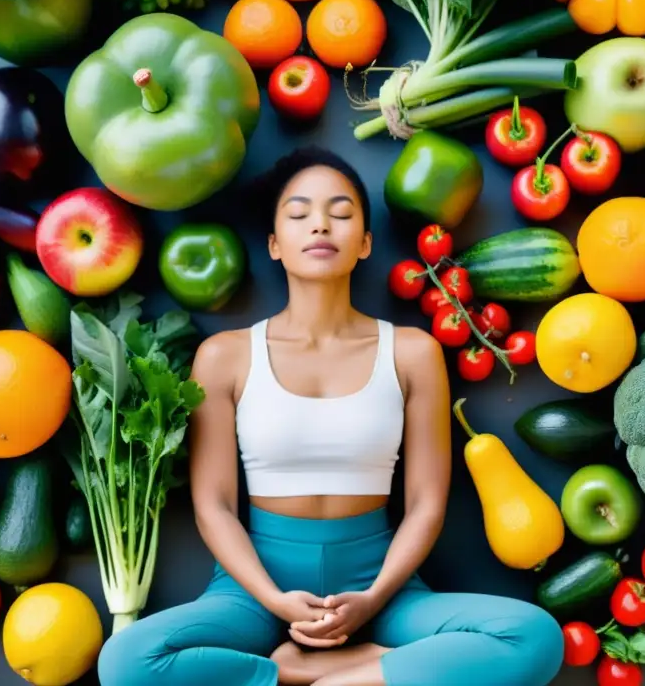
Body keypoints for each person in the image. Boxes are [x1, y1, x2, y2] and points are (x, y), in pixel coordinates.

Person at [98, 148, 564, 686]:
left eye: (341, 213)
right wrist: (274, 599)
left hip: (383, 588)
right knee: (124, 664)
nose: (320, 223)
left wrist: (372, 599)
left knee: (535, 637)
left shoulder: (413, 352)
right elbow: (215, 505)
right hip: (252, 593)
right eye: (298, 214)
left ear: (365, 243)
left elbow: (425, 503)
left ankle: (345, 670)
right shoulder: (225, 356)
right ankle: (301, 675)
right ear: (274, 244)